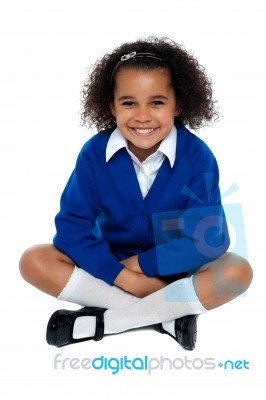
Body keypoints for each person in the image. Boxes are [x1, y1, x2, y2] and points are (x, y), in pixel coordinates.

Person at [19, 36, 253, 350]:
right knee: (34, 260)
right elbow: (72, 229)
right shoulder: (94, 154)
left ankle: (108, 322)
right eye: (129, 103)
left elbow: (209, 239)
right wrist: (124, 277)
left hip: (174, 270)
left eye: (157, 102)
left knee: (237, 271)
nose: (142, 116)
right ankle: (168, 316)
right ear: (111, 106)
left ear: (178, 105)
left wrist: (141, 266)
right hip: (109, 266)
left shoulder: (197, 155)